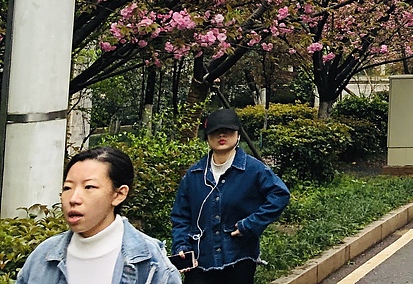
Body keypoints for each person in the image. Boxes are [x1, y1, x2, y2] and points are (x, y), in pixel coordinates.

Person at [17, 147, 181, 284]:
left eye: (89, 187)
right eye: (68, 188)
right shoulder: (42, 257)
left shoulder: (152, 264)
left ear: (119, 194)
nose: (73, 199)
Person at [171, 108, 290, 284]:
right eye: (216, 131)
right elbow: (181, 215)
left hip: (239, 257)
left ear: (238, 135)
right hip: (200, 260)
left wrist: (249, 225)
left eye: (228, 131)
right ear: (207, 137)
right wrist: (181, 246)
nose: (222, 135)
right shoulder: (194, 175)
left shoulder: (254, 169)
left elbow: (280, 194)